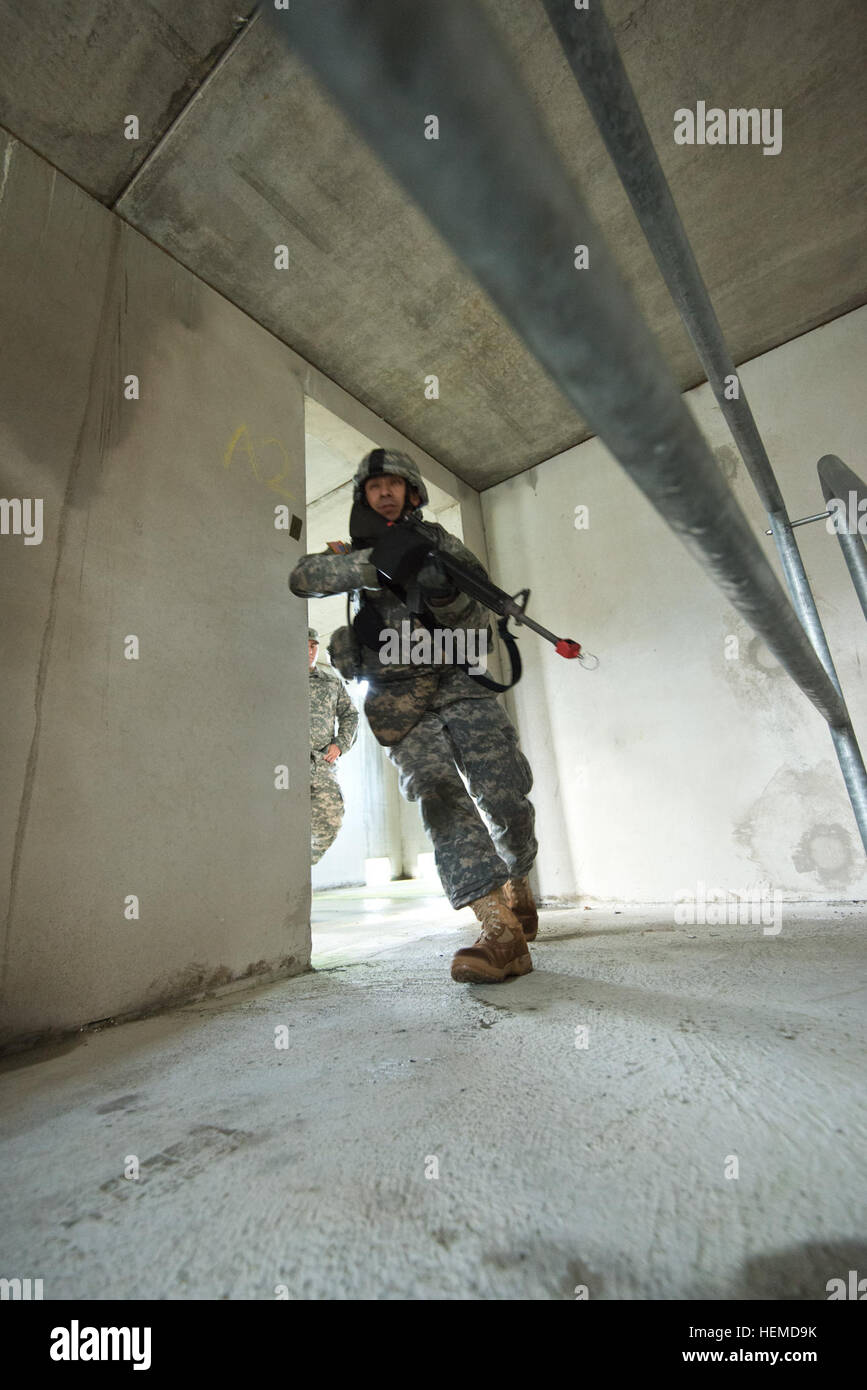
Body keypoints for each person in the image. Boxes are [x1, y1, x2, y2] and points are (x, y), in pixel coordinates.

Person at [289, 449, 539, 983]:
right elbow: (303, 577)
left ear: (412, 492)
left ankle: (518, 881)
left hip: (460, 686)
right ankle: (497, 927)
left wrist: (442, 589)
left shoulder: (443, 543)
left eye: (394, 484)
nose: (384, 491)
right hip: (399, 697)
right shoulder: (355, 551)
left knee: (505, 798)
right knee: (438, 793)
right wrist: (377, 563)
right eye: (374, 485)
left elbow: (482, 611)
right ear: (363, 495)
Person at [307, 626, 358, 865]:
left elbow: (350, 714)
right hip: (284, 763)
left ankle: (302, 866)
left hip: (321, 762)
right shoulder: (278, 681)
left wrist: (340, 744)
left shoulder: (330, 682)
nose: (309, 651)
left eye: (313, 646)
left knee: (330, 820)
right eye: (304, 645)